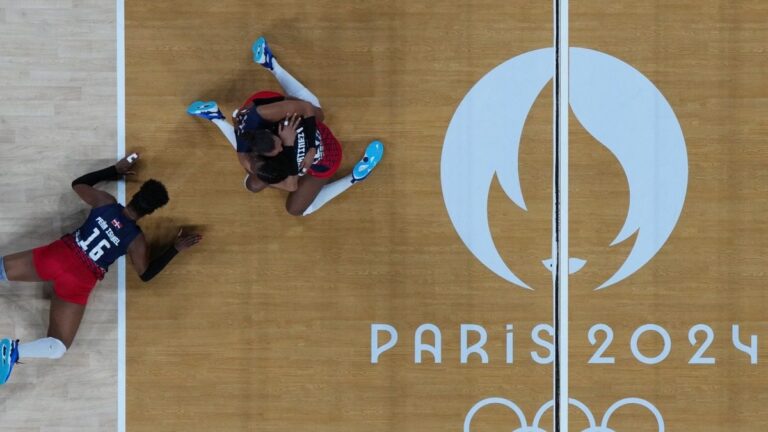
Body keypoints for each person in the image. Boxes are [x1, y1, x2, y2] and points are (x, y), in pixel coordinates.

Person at [0, 154, 202, 385]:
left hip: (57, 256)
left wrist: (114, 170)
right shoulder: (136, 241)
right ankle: (13, 352)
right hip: (78, 281)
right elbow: (146, 274)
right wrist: (174, 248)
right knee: (57, 347)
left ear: (134, 195)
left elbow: (79, 184)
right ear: (151, 212)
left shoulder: (105, 203)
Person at [187, 36, 384, 216]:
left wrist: (308, 149)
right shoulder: (260, 160)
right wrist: (291, 151)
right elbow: (288, 184)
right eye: (280, 146)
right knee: (285, 204)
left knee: (318, 114)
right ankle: (356, 178)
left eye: (277, 142)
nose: (281, 143)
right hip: (295, 153)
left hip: (286, 122)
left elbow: (304, 108)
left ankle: (271, 64)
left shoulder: (276, 125)